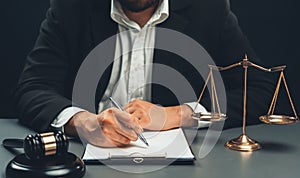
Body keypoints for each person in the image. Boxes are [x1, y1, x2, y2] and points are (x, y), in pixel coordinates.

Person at [13, 0, 274, 147]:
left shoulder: (209, 9)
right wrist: (83, 123)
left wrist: (178, 114)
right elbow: (32, 88)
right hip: (84, 161)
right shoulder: (71, 8)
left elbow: (260, 89)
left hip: (182, 171)